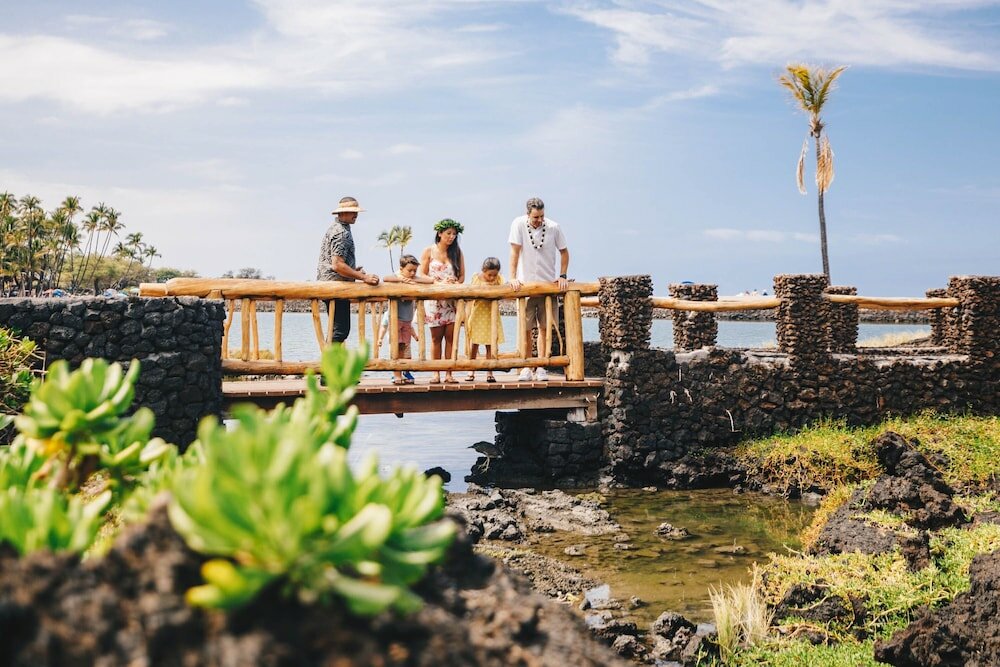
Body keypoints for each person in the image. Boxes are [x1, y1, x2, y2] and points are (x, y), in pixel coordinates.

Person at [508, 197, 569, 381]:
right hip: (525, 285)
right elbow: (514, 252)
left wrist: (563, 275)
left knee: (545, 328)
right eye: (536, 217)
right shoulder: (518, 224)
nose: (539, 220)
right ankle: (527, 366)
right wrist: (512, 278)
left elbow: (564, 252)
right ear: (528, 214)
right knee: (525, 328)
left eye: (542, 216)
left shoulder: (553, 227)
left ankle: (541, 365)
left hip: (547, 285)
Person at [316, 196, 380, 343]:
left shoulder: (337, 229)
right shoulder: (341, 233)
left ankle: (331, 363)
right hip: (336, 287)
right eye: (352, 211)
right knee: (340, 331)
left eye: (356, 211)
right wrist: (363, 277)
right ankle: (330, 365)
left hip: (330, 284)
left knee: (337, 329)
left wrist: (353, 271)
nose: (355, 215)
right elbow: (337, 265)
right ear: (342, 213)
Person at [419, 218, 465, 384]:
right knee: (436, 339)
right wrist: (437, 283)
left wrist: (455, 284)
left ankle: (449, 373)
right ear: (439, 233)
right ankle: (436, 373)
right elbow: (421, 274)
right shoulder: (428, 251)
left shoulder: (457, 253)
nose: (452, 237)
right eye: (448, 233)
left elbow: (462, 276)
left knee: (451, 338)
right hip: (434, 301)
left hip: (451, 302)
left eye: (454, 234)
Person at [379, 254, 433, 384]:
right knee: (396, 347)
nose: (413, 273)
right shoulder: (397, 276)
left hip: (407, 320)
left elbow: (430, 281)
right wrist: (401, 280)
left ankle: (404, 372)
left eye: (415, 270)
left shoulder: (413, 278)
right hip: (396, 318)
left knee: (405, 346)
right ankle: (396, 374)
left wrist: (415, 281)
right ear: (401, 268)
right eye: (410, 270)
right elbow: (385, 278)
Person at [465, 257, 505, 383]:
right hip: (478, 314)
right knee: (474, 343)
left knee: (490, 344)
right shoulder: (476, 278)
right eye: (489, 275)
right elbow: (471, 292)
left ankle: (489, 371)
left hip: (491, 315)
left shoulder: (499, 279)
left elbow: (505, 287)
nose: (492, 278)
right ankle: (471, 370)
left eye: (495, 275)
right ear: (484, 271)